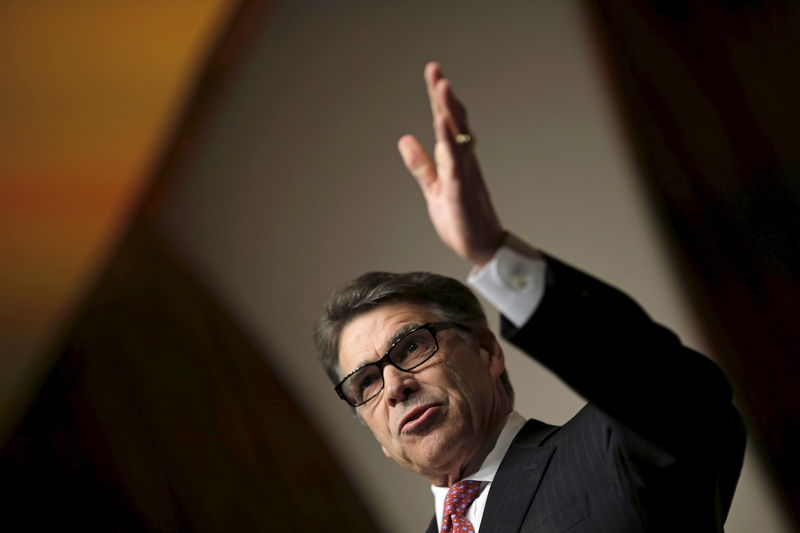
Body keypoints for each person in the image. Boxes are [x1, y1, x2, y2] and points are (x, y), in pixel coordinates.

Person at [313, 62, 745, 532]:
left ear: (488, 351)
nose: (395, 387)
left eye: (411, 347)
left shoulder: (610, 451)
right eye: (366, 384)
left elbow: (684, 402)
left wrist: (493, 251)